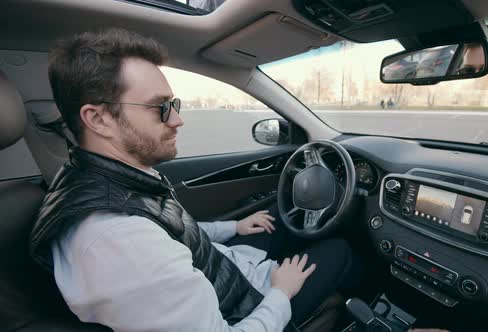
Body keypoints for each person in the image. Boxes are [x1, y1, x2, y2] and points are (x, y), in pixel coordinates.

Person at [29, 28, 361, 332]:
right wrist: (280, 292)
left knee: (275, 215)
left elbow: (172, 229)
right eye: (160, 107)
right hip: (249, 304)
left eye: (173, 104)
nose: (177, 120)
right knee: (341, 249)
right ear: (99, 119)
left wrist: (235, 227)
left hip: (222, 268)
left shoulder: (103, 178)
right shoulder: (121, 242)